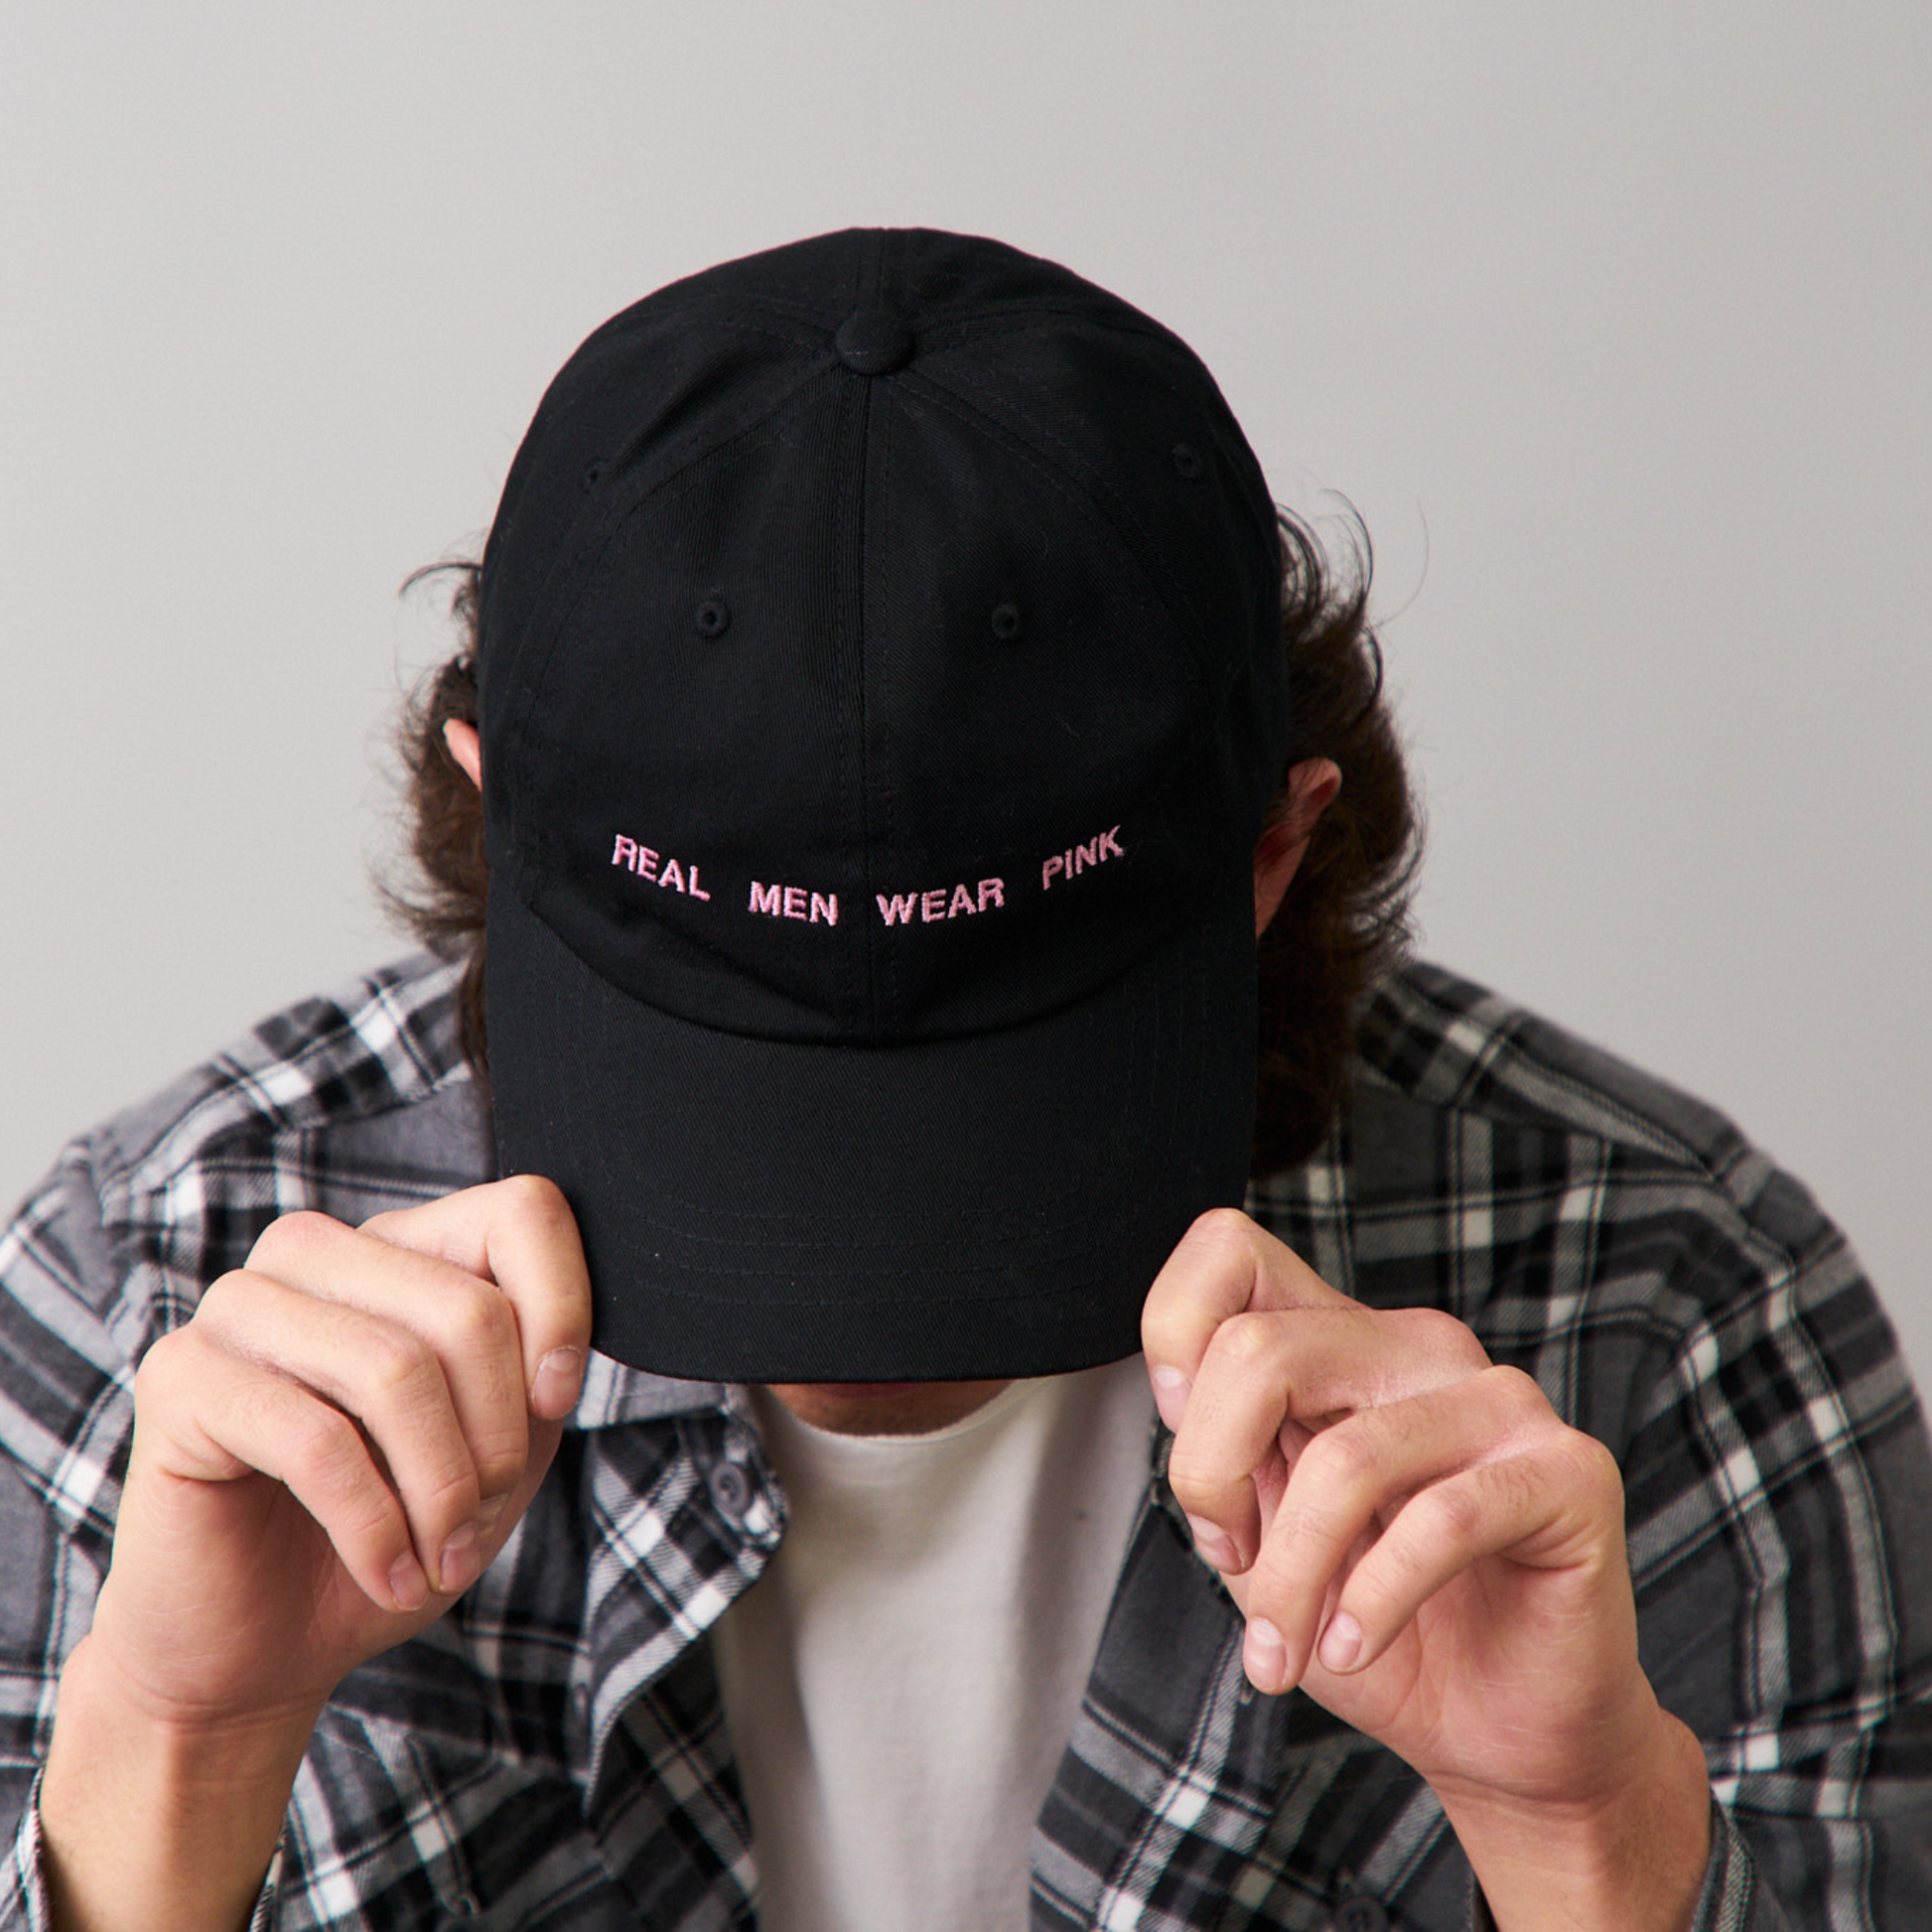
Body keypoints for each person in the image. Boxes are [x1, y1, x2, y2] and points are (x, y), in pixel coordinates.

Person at [2, 227, 1927, 1932]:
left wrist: (1590, 1837)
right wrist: (175, 1751)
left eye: (986, 1092)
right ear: (495, 806)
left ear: (1271, 855)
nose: (866, 1316)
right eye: (747, 1087)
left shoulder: (1655, 1305)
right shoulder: (147, 1291)